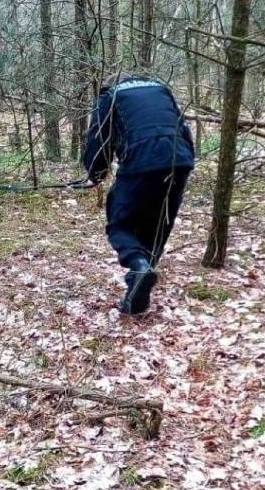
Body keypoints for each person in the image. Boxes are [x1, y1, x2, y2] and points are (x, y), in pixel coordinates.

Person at [83, 72, 195, 315]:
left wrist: (95, 174)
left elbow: (99, 138)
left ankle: (139, 266)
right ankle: (137, 296)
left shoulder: (109, 96)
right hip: (180, 159)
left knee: (119, 222)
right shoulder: (161, 88)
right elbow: (183, 128)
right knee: (158, 225)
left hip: (142, 157)